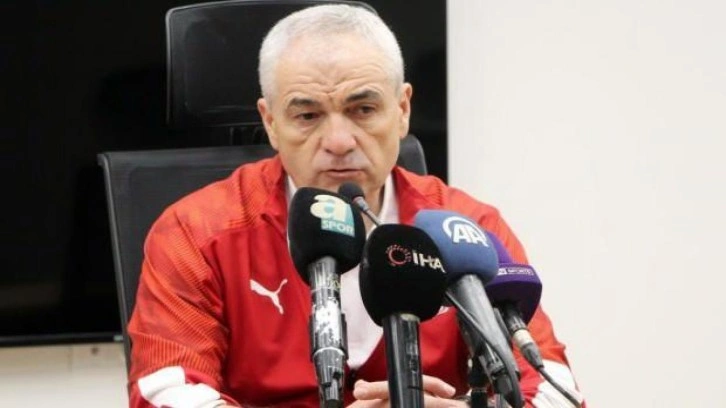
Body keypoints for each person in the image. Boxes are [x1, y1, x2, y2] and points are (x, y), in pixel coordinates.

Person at [127, 4, 584, 408]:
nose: (339, 141)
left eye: (363, 110)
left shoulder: (467, 230)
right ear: (271, 122)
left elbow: (556, 389)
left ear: (402, 110)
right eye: (308, 116)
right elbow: (164, 393)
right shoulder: (197, 232)